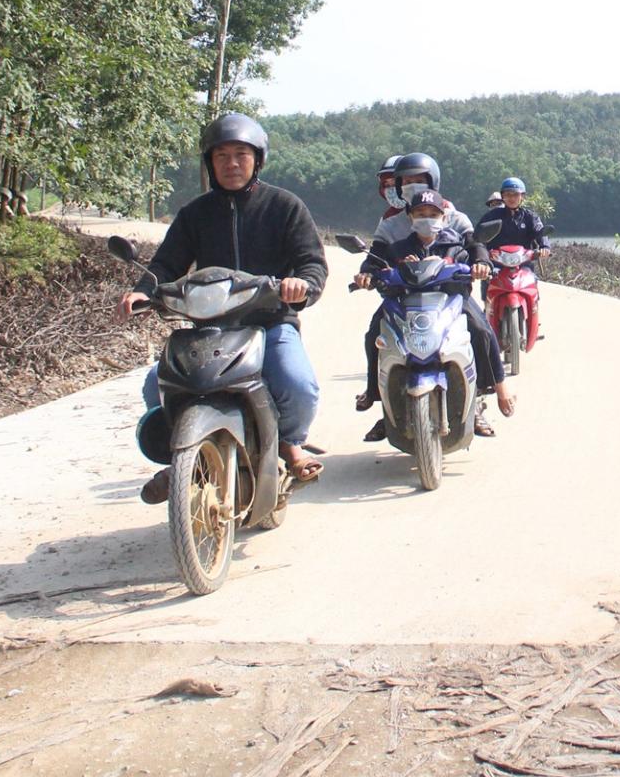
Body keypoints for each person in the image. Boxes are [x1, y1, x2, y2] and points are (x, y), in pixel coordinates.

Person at [118, 113, 327, 504]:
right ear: (210, 163)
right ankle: (182, 455)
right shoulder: (195, 214)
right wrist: (143, 290)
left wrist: (302, 284)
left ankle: (289, 443)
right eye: (222, 156)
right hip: (208, 327)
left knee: (297, 383)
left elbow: (311, 262)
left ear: (257, 159)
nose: (232, 163)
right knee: (156, 383)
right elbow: (166, 263)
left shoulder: (284, 207)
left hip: (269, 323)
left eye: (241, 155)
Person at [354, 188, 514, 435]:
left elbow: (476, 253)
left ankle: (494, 391)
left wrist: (481, 266)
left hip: (450, 301)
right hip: (409, 305)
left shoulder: (456, 245)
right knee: (376, 335)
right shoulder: (398, 248)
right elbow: (376, 263)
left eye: (433, 213)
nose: (426, 218)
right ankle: (378, 397)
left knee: (481, 330)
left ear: (443, 217)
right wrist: (367, 275)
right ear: (410, 217)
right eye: (420, 213)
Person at [476, 177, 550, 259]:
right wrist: (483, 256)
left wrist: (545, 246)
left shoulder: (530, 216)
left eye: (516, 194)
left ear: (522, 196)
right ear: (502, 196)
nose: (512, 198)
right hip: (496, 262)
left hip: (524, 262)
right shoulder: (491, 216)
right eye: (508, 194)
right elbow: (478, 237)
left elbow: (540, 231)